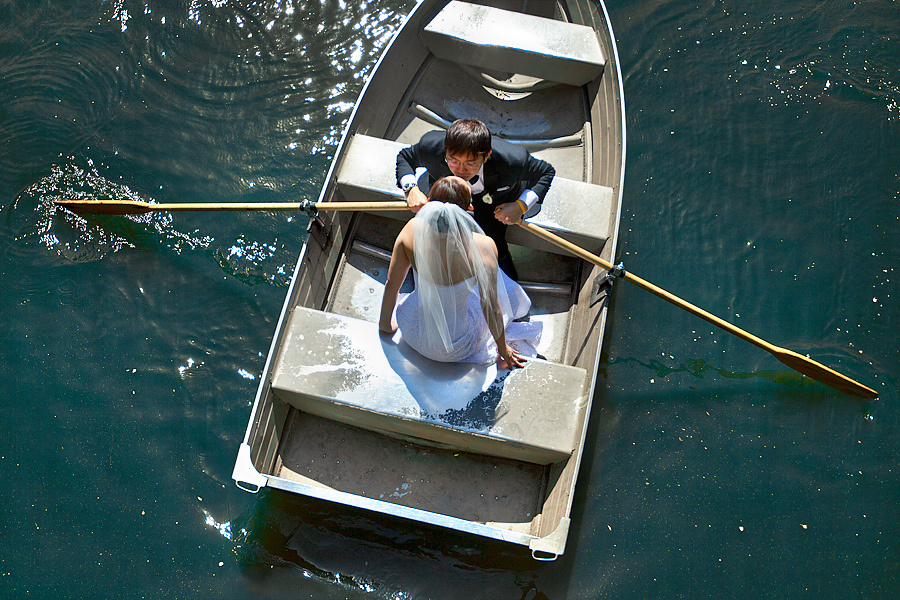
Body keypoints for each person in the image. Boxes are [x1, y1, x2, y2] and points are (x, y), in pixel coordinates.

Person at [379, 176, 541, 368]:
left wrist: (385, 325)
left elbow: (392, 285)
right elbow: (491, 308)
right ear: (469, 208)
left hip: (409, 328)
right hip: (454, 347)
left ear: (429, 202)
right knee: (498, 288)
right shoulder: (483, 246)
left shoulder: (412, 229)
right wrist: (503, 349)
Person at [396, 118, 555, 281]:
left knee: (492, 239)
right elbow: (405, 157)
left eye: (470, 163)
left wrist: (520, 206)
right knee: (435, 229)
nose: (460, 170)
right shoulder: (430, 146)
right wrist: (411, 189)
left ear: (486, 156)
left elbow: (546, 172)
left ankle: (500, 261)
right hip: (446, 192)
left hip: (493, 203)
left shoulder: (513, 160)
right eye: (453, 161)